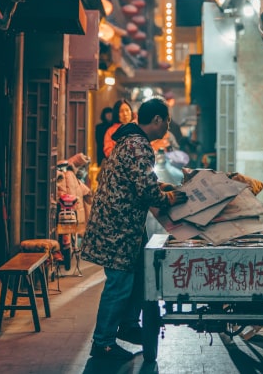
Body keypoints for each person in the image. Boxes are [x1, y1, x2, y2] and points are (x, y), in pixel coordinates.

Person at [81, 97, 189, 360]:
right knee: (118, 284)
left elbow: (140, 182)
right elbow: (145, 191)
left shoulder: (130, 141)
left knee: (140, 275)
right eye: (167, 121)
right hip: (117, 227)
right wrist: (170, 198)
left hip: (125, 226)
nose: (168, 127)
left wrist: (163, 188)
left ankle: (127, 325)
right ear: (157, 120)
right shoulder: (138, 147)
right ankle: (103, 343)